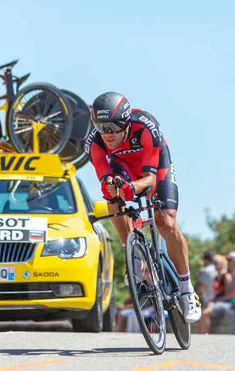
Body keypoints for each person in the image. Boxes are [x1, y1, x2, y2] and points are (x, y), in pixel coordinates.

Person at [85, 92, 201, 322]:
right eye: (100, 126)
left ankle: (187, 291)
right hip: (124, 167)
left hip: (154, 167)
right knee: (112, 196)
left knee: (165, 222)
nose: (107, 133)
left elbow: (149, 180)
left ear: (126, 122)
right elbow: (105, 178)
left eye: (113, 126)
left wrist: (132, 188)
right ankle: (132, 258)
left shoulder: (146, 127)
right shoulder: (94, 143)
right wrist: (113, 187)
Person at [198, 252, 235, 334]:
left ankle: (203, 336)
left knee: (205, 313)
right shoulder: (233, 273)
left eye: (230, 260)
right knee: (201, 312)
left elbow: (232, 294)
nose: (228, 262)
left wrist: (216, 300)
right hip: (229, 301)